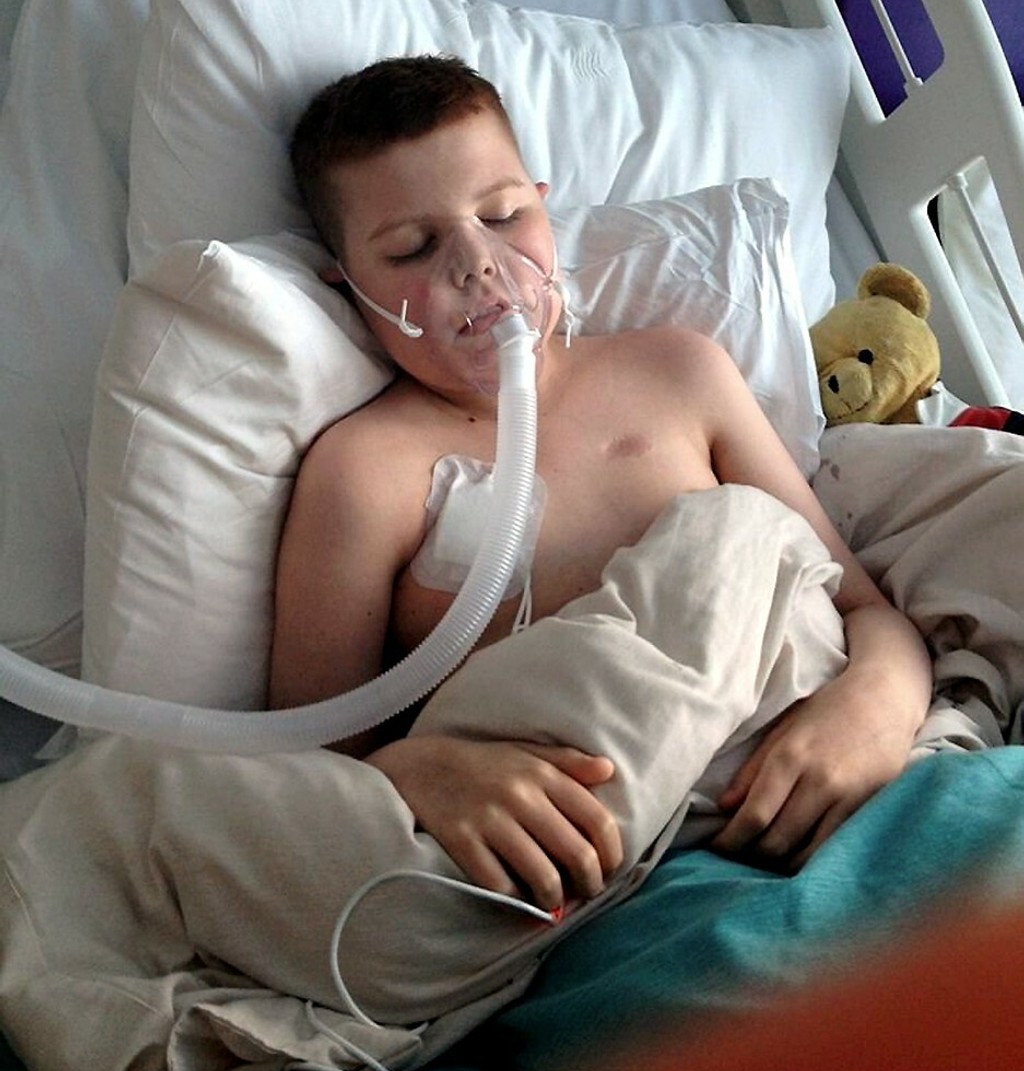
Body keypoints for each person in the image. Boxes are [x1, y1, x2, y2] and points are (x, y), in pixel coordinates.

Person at [271, 53, 933, 914]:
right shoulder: (365, 472)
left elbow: (864, 609)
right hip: (620, 879)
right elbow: (309, 757)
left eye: (503, 215)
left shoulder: (677, 372)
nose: (478, 265)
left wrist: (877, 703)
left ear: (544, 206)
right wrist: (422, 771)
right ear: (348, 283)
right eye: (413, 248)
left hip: (837, 787)